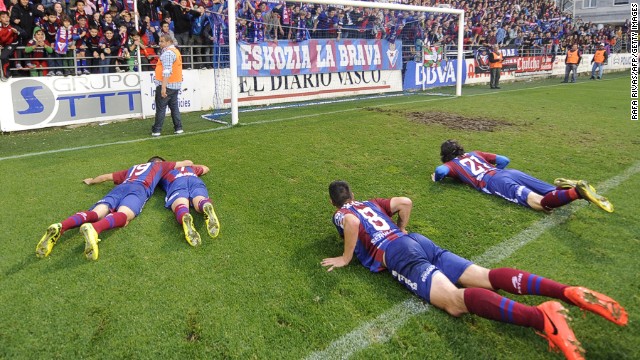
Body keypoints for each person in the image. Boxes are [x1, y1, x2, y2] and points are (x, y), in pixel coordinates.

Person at [323, 180, 627, 360]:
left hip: (398, 253)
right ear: (352, 193)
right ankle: (565, 292)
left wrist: (346, 257)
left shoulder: (342, 215)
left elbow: (350, 223)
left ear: (334, 202)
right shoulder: (368, 203)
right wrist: (402, 228)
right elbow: (405, 201)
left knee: (455, 302)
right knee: (485, 276)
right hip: (416, 241)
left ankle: (543, 316)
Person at [36, 157, 193, 261]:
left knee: (97, 213)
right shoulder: (160, 165)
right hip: (138, 189)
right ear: (158, 161)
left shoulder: (132, 168)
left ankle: (61, 227)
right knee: (124, 215)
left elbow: (105, 177)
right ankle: (95, 229)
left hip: (121, 187)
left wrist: (91, 181)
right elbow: (187, 162)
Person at [431, 140, 613, 213]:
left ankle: (577, 192)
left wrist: (436, 178)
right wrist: (496, 170)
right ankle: (569, 189)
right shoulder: (475, 153)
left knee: (542, 204)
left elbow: (440, 171)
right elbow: (504, 159)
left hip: (495, 181)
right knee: (552, 192)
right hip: (510, 173)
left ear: (445, 155)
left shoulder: (451, 165)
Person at [158, 164, 220, 246]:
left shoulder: (164, 173)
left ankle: (184, 214)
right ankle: (204, 204)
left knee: (180, 202)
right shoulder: (190, 168)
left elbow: (151, 182)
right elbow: (206, 168)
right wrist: (191, 165)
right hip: (194, 179)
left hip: (176, 182)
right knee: (199, 197)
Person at [151, 33, 183, 137]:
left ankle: (157, 130)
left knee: (161, 108)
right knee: (174, 107)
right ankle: (178, 128)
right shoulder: (176, 51)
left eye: (162, 41)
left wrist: (163, 87)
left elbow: (167, 71)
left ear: (168, 42)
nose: (159, 43)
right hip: (175, 84)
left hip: (167, 85)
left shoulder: (168, 53)